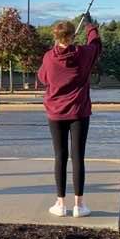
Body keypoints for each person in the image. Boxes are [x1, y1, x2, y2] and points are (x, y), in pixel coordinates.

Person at [37, 13, 102, 218]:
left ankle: (60, 203)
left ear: (56, 37)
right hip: (79, 112)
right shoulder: (83, 54)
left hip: (56, 113)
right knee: (78, 157)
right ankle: (79, 205)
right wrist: (90, 25)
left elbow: (42, 77)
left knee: (60, 156)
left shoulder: (49, 57)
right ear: (73, 36)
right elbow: (96, 44)